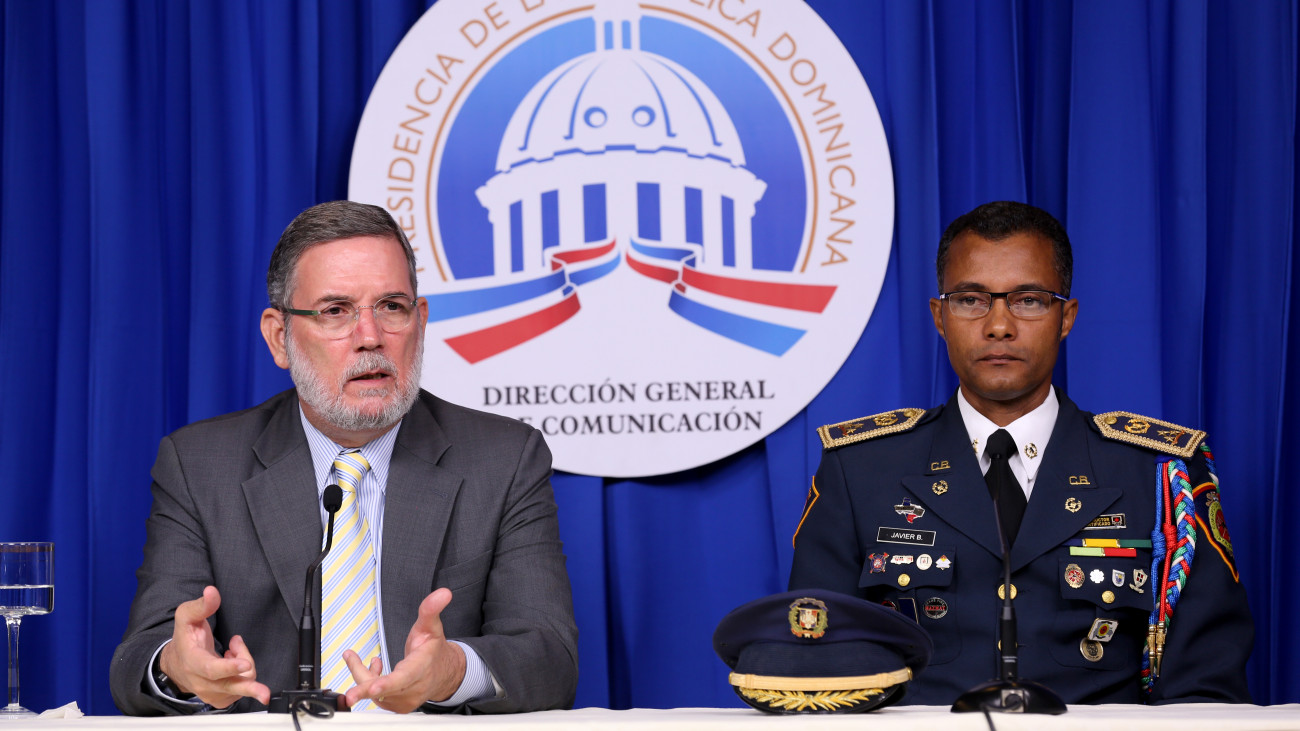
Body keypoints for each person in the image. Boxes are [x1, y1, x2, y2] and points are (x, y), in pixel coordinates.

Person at [111, 201, 578, 715]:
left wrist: (453, 672)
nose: (370, 337)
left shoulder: (503, 459)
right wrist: (177, 668)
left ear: (420, 323)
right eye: (336, 311)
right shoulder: (200, 465)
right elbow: (140, 656)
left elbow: (550, 658)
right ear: (279, 337)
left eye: (391, 307)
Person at [789, 201, 1252, 705]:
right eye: (970, 299)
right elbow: (819, 664)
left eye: (1029, 300)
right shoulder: (860, 471)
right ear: (940, 317)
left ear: (1066, 317)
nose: (999, 325)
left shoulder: (1158, 474)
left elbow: (1203, 685)